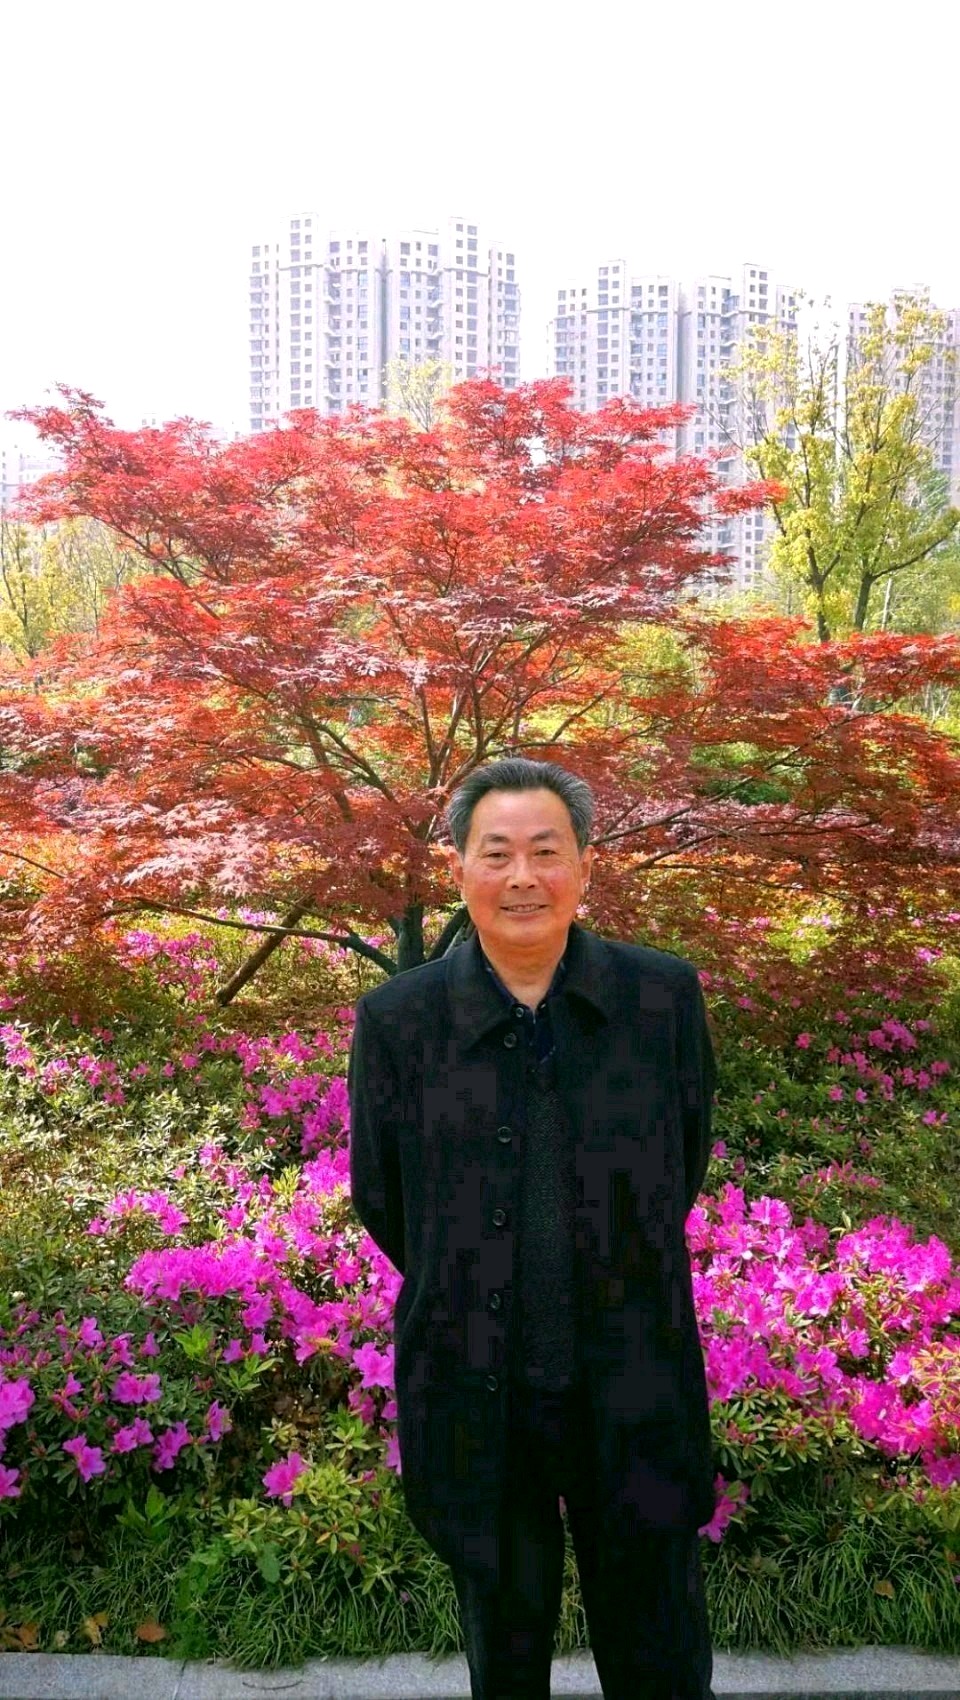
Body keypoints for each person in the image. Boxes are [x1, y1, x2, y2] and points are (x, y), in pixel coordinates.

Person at [348, 757, 718, 1700]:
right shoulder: (398, 1022)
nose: (524, 877)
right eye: (498, 853)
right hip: (480, 1390)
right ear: (458, 869)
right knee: (505, 1660)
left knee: (662, 1656)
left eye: (547, 852)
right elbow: (385, 1200)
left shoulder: (661, 999)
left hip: (633, 1381)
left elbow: (681, 1164)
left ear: (585, 866)